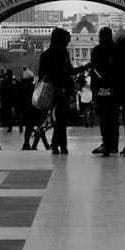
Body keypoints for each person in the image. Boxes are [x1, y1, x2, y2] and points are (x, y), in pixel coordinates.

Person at [38, 27, 75, 155]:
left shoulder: (45, 55)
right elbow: (69, 71)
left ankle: (57, 145)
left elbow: (41, 74)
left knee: (58, 120)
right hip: (62, 90)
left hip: (50, 91)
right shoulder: (64, 54)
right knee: (61, 120)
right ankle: (61, 146)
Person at [88, 27, 120, 156]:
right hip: (115, 88)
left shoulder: (97, 50)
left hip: (101, 88)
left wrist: (94, 90)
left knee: (104, 119)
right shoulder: (117, 50)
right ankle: (114, 145)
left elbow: (94, 71)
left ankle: (106, 144)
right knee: (114, 118)